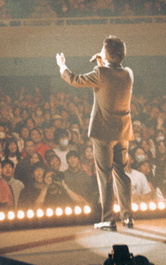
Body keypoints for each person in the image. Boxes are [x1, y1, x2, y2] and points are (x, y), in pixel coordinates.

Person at [56, 35, 134, 230]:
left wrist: (62, 67)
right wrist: (102, 61)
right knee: (121, 174)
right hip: (122, 131)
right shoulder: (128, 74)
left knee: (104, 175)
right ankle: (128, 217)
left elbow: (75, 80)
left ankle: (108, 219)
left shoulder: (101, 73)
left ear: (107, 53)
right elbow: (107, 78)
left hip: (103, 132)